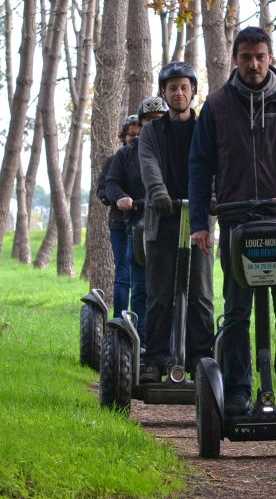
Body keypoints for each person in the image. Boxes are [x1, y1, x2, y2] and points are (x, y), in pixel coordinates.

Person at [189, 26, 276, 416]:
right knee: (236, 311)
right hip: (235, 218)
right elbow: (199, 166)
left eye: (260, 56)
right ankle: (239, 390)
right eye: (246, 57)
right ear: (235, 59)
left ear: (271, 57)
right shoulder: (216, 106)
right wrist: (199, 222)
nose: (254, 63)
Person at [138, 62, 214, 383]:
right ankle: (155, 359)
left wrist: (211, 196)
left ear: (193, 91)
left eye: (184, 87)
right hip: (163, 218)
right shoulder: (151, 132)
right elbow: (149, 163)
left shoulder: (205, 128)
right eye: (172, 88)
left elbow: (216, 163)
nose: (179, 93)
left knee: (200, 294)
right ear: (163, 93)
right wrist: (158, 193)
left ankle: (201, 360)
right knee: (159, 294)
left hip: (197, 221)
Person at [104, 98, 167, 347]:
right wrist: (121, 198)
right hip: (137, 226)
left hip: (171, 225)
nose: (155, 125)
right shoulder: (126, 154)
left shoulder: (182, 147)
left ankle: (173, 345)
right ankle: (138, 344)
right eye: (149, 121)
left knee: (171, 288)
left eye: (160, 120)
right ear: (142, 125)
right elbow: (110, 182)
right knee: (137, 284)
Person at [97, 115, 141, 322]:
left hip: (143, 223)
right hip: (120, 223)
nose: (135, 138)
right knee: (123, 274)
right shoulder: (114, 161)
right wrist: (116, 199)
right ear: (123, 137)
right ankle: (120, 321)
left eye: (139, 134)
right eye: (131, 135)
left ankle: (141, 321)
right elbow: (103, 189)